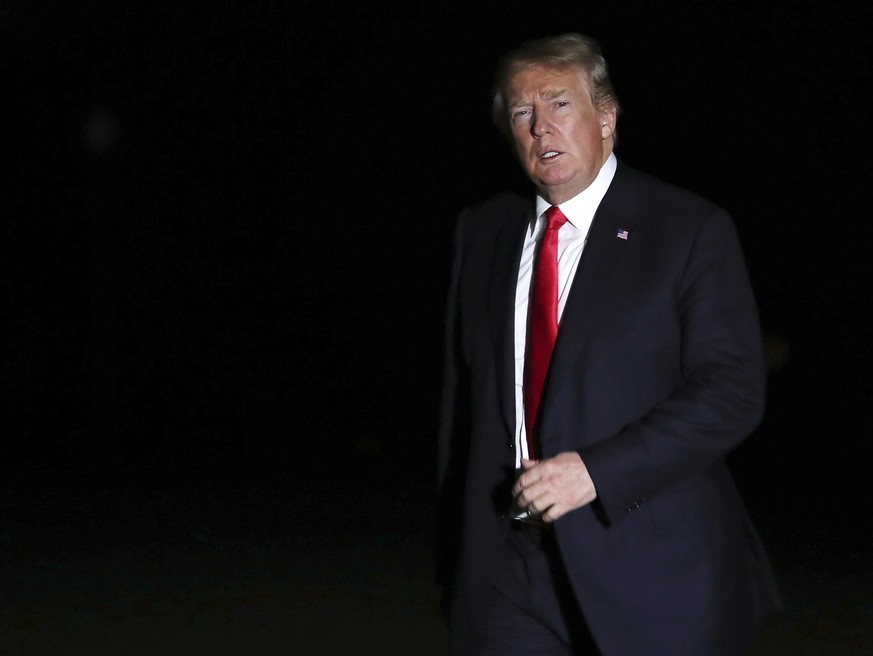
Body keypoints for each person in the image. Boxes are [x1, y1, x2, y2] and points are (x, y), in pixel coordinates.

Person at [435, 32, 783, 656]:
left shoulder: (686, 229)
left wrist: (596, 471)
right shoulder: (481, 231)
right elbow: (463, 402)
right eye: (522, 112)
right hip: (508, 572)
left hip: (644, 561)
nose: (541, 126)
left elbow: (731, 390)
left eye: (559, 104)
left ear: (606, 115)